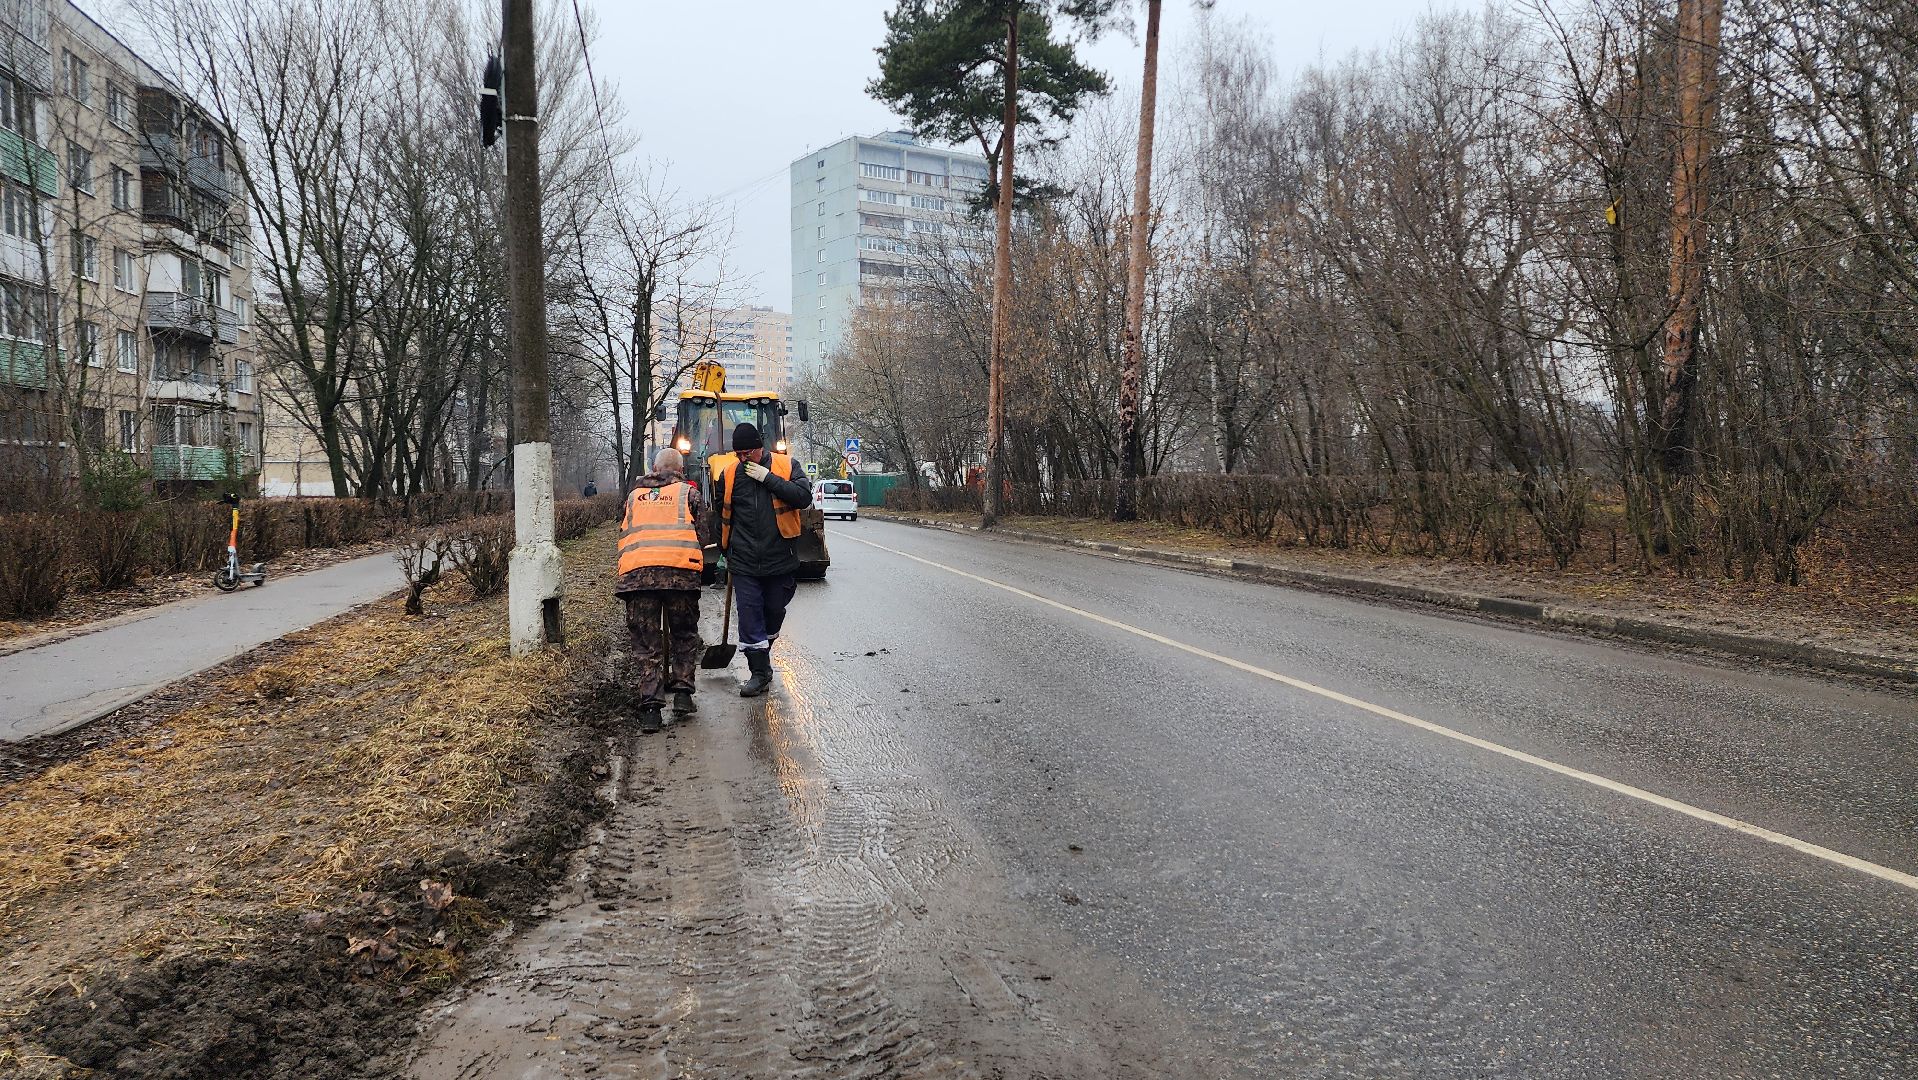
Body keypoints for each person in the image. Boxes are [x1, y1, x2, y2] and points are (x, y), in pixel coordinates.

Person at [710, 422, 813, 697]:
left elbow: (803, 498)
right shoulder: (728, 474)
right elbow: (721, 515)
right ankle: (758, 671)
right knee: (749, 613)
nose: (744, 459)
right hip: (743, 559)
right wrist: (724, 550)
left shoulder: (787, 465)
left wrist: (768, 478)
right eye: (739, 454)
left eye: (748, 453)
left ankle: (763, 652)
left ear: (760, 448)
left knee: (774, 610)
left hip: (780, 556)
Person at [614, 447, 706, 733]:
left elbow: (624, 532)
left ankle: (651, 710)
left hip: (638, 579)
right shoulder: (689, 494)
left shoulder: (634, 497)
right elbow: (702, 535)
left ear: (654, 469)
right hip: (680, 577)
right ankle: (682, 694)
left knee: (646, 644)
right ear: (680, 470)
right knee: (684, 635)